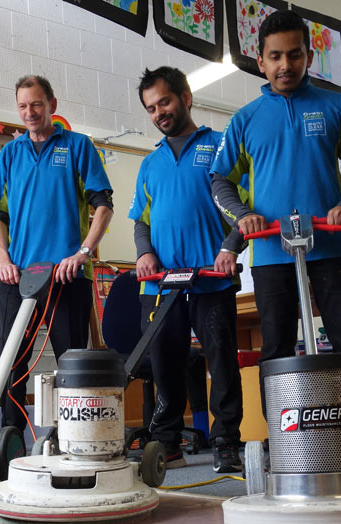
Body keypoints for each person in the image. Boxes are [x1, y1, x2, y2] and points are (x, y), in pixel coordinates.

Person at [210, 9, 341, 417]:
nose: (285, 65)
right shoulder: (245, 119)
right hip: (271, 252)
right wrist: (242, 216)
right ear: (261, 61)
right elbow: (221, 183)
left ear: (307, 56)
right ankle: (284, 442)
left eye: (294, 54)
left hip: (331, 247)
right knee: (276, 348)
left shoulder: (335, 107)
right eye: (275, 56)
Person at [129, 66, 244, 473]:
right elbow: (141, 220)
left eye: (165, 101)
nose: (159, 112)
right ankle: (166, 440)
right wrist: (144, 254)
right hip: (162, 285)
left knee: (222, 360)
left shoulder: (220, 146)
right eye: (151, 107)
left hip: (210, 281)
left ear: (186, 97)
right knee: (164, 362)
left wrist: (231, 245)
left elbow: (242, 210)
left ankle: (227, 440)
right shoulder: (150, 163)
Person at [0, 75, 113, 433]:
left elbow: (103, 206)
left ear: (52, 105)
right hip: (18, 277)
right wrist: (3, 260)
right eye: (23, 106)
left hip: (66, 275)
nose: (30, 112)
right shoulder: (9, 154)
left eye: (37, 104)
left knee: (72, 364)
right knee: (11, 363)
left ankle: (72, 436)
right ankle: (10, 439)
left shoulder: (78, 146)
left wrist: (83, 253)